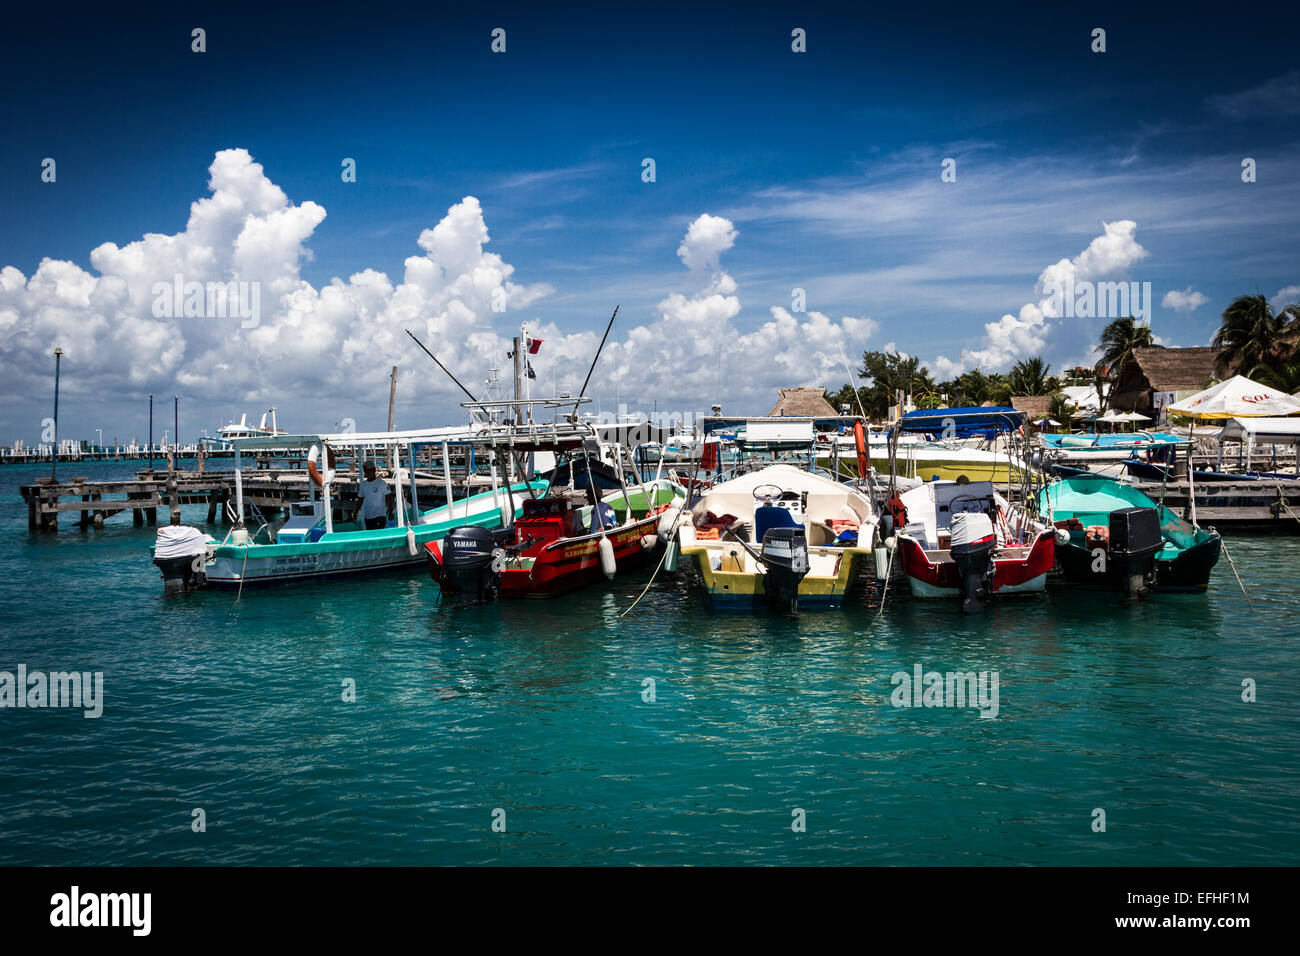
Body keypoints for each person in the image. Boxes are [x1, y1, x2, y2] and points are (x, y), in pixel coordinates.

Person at [358, 461, 395, 530]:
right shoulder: (363, 484)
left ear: (374, 470)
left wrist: (391, 512)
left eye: (370, 471)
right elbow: (360, 500)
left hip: (379, 516)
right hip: (367, 517)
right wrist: (355, 513)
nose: (368, 473)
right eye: (366, 471)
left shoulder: (382, 483)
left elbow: (389, 498)